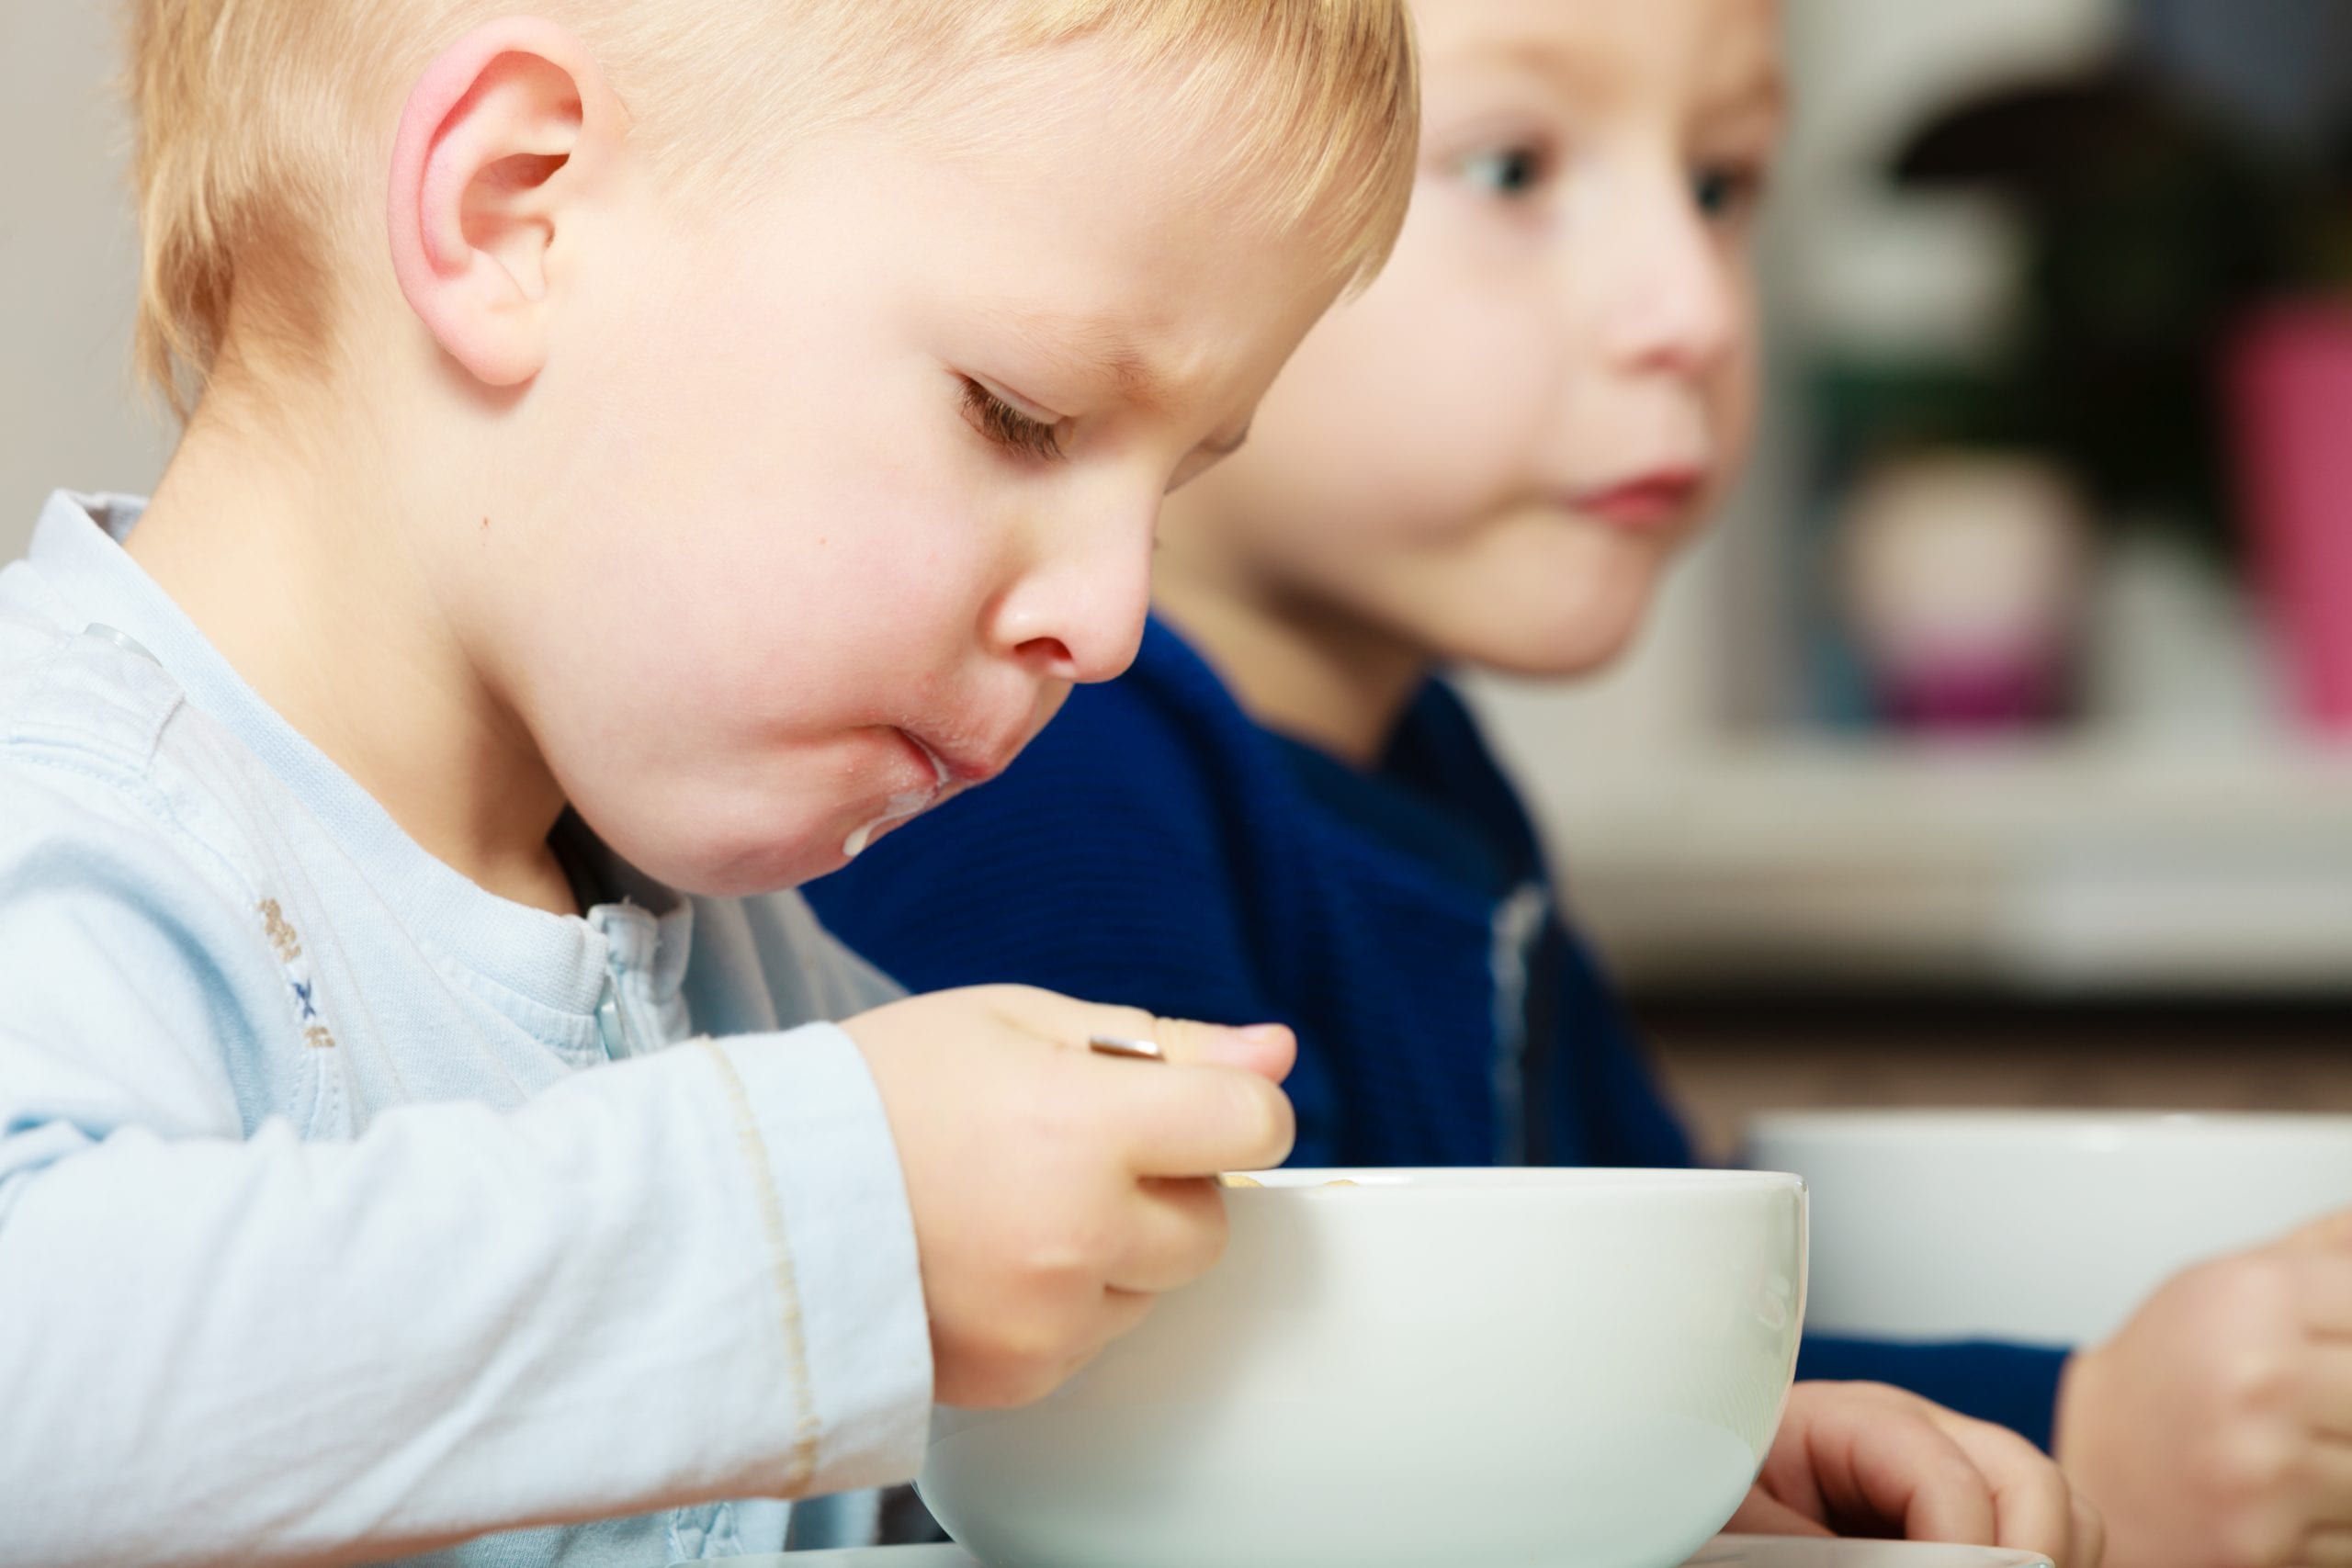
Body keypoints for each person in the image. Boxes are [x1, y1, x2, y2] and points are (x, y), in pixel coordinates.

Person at [0, 3, 1416, 1562]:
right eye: (1023, 413)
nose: (1111, 619)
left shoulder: (742, 970)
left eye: (1167, 490)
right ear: (511, 214)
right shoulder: (64, 796)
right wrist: (825, 1227)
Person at [808, 0, 2112, 1559]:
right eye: (1512, 171)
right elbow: (1212, 1432)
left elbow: (1652, 1354)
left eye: (1721, 185)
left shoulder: (1429, 772)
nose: (1688, 311)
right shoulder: (1040, 766)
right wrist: (2096, 1419)